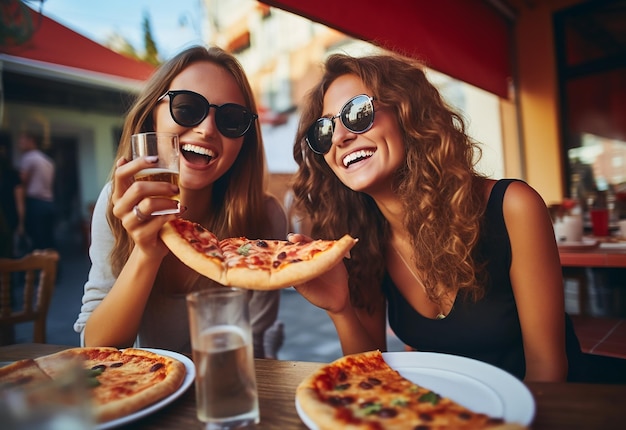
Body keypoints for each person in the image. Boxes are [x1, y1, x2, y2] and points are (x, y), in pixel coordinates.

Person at [288, 52, 597, 383]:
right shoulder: (361, 242)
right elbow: (372, 378)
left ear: (408, 113)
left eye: (358, 113)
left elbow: (547, 369)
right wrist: (341, 309)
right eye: (324, 130)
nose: (339, 137)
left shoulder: (513, 208)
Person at [73, 46, 287, 358]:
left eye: (231, 119)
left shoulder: (264, 217)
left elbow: (250, 350)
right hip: (142, 393)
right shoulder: (115, 203)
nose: (207, 129)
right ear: (152, 116)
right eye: (187, 108)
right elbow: (95, 350)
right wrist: (147, 252)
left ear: (245, 140)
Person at [18, 132, 55, 250]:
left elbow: (22, 182)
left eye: (23, 140)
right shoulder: (48, 161)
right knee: (49, 240)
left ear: (31, 141)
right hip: (48, 203)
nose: (20, 144)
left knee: (37, 242)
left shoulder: (28, 158)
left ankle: (39, 267)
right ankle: (53, 267)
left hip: (35, 203)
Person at [0, 141, 25, 258]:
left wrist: (21, 224)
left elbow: (19, 200)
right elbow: (19, 201)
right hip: (8, 218)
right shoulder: (12, 174)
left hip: (7, 219)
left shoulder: (11, 175)